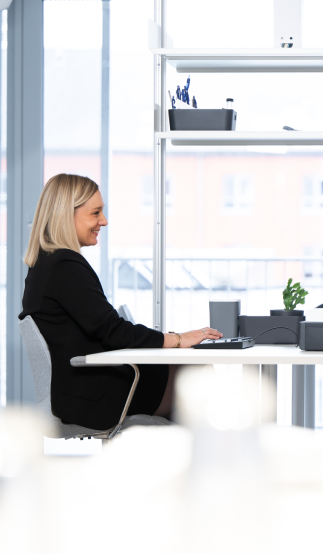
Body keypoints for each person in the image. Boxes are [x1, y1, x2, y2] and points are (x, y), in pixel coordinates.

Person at [19, 174, 223, 430]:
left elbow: (104, 330)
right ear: (65, 215)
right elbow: (113, 331)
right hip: (95, 398)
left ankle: (201, 455)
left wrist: (173, 342)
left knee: (188, 369)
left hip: (81, 391)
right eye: (95, 213)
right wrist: (178, 339)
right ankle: (222, 454)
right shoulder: (64, 266)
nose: (103, 221)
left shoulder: (46, 264)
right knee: (196, 368)